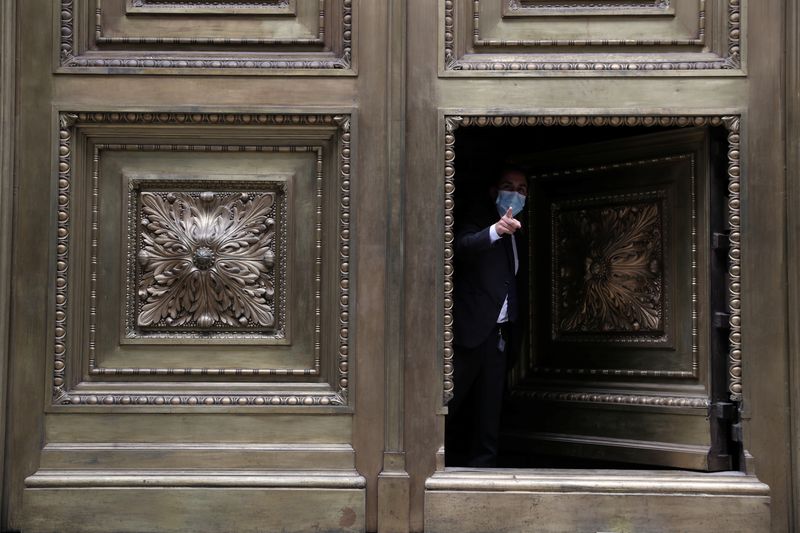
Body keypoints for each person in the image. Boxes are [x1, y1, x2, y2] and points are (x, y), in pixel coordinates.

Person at [446, 168, 528, 467]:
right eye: (508, 186)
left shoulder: (522, 231)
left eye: (521, 189)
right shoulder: (479, 220)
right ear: (495, 191)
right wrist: (496, 230)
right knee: (449, 401)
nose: (515, 193)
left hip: (501, 334)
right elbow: (463, 246)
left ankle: (484, 467)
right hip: (470, 331)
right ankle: (427, 460)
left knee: (490, 407)